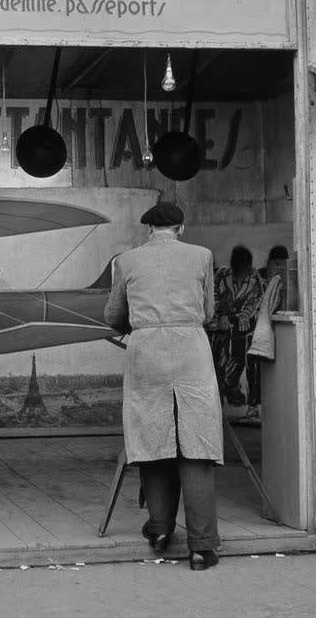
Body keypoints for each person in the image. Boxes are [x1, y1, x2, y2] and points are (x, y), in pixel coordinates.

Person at [104, 201, 222, 571]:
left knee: (153, 440)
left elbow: (113, 316)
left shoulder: (126, 260)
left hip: (146, 354)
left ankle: (158, 530)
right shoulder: (202, 256)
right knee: (197, 446)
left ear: (148, 229)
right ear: (181, 228)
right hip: (191, 353)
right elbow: (208, 312)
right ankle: (202, 548)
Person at [209, 246, 264, 408]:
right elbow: (214, 294)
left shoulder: (255, 278)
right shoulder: (222, 274)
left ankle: (231, 387)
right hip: (220, 326)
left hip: (241, 325)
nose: (241, 273)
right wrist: (223, 314)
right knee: (219, 360)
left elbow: (256, 299)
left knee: (239, 358)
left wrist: (245, 315)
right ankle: (219, 395)